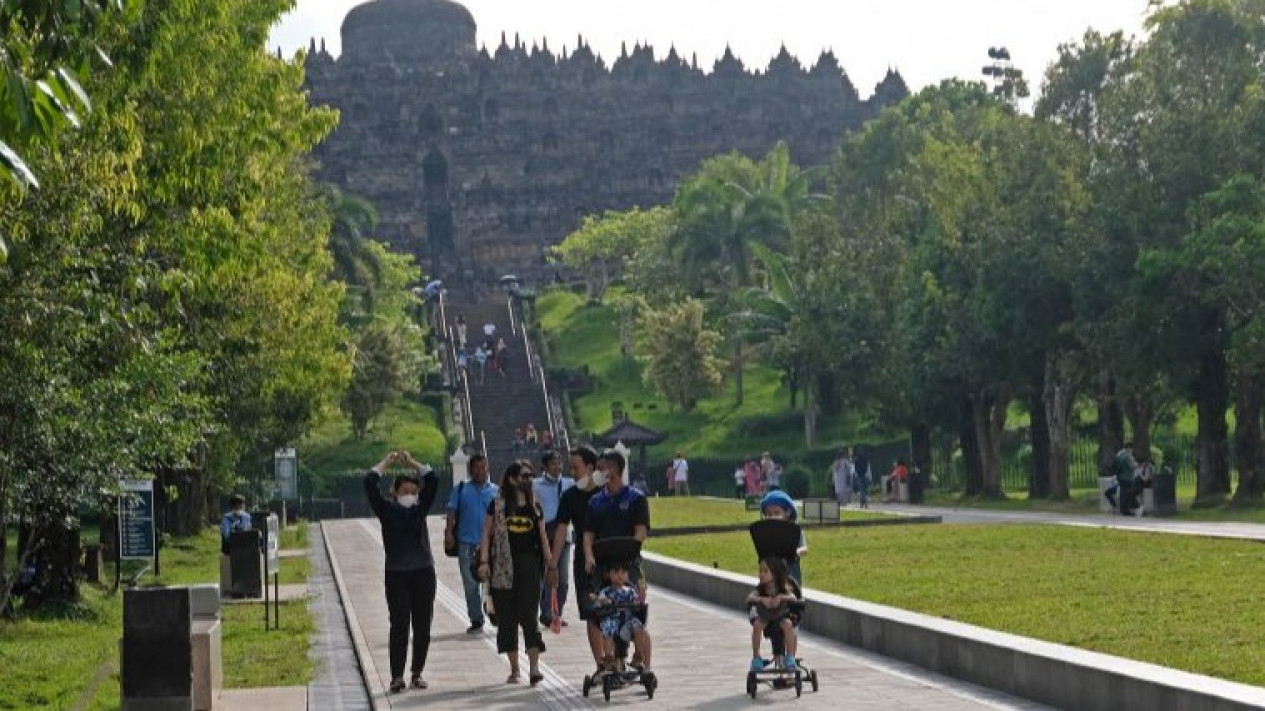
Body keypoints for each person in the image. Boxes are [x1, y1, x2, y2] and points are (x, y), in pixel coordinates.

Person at [364, 451, 439, 693]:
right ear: (395, 493)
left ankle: (417, 672)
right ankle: (397, 676)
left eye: (413, 492)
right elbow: (369, 482)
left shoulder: (420, 509)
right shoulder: (386, 510)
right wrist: (386, 462)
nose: (410, 496)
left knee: (423, 625)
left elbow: (434, 480)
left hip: (423, 573)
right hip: (396, 575)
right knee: (399, 624)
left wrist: (411, 463)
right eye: (405, 492)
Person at [478, 461, 554, 685]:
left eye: (531, 476)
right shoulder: (497, 505)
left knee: (529, 616)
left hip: (529, 565)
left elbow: (543, 538)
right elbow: (486, 533)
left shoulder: (534, 506)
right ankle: (514, 669)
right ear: (512, 479)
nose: (529, 480)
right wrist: (484, 561)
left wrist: (551, 566)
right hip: (502, 567)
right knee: (507, 619)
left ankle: (534, 668)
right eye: (524, 476)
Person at [583, 449, 653, 676]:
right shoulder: (596, 500)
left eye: (602, 468)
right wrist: (589, 556)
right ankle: (606, 663)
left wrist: (627, 552)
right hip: (602, 565)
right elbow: (588, 534)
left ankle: (641, 661)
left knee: (636, 611)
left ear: (613, 470)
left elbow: (641, 531)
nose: (598, 472)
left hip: (628, 563)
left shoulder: (635, 498)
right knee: (598, 614)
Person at [551, 446, 606, 675]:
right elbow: (562, 530)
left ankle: (615, 659)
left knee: (614, 610)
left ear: (591, 467)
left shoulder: (606, 493)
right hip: (583, 562)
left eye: (576, 467)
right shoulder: (569, 496)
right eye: (570, 467)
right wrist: (552, 563)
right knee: (591, 613)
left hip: (609, 559)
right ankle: (601, 664)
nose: (571, 472)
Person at [444, 453, 497, 633]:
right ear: (469, 469)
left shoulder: (496, 491)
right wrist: (449, 533)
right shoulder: (461, 489)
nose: (480, 471)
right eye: (476, 468)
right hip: (466, 543)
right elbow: (452, 511)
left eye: (483, 467)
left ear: (488, 468)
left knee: (492, 582)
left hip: (490, 544)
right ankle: (476, 618)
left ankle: (492, 610)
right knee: (470, 583)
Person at [533, 451, 574, 628]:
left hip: (563, 533)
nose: (557, 467)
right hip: (543, 532)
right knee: (545, 574)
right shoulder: (535, 485)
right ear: (545, 466)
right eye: (553, 463)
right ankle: (546, 613)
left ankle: (557, 612)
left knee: (562, 578)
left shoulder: (569, 484)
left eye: (559, 463)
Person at [593, 561, 650, 669]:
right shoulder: (606, 591)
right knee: (608, 626)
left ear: (627, 575)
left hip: (627, 621)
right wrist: (601, 600)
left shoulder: (630, 591)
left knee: (638, 626)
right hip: (612, 619)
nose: (620, 575)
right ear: (609, 574)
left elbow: (637, 603)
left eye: (623, 572)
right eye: (616, 572)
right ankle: (609, 656)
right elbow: (598, 603)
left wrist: (642, 596)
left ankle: (638, 654)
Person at [747, 557, 799, 672]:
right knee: (757, 625)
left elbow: (793, 597)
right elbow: (750, 597)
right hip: (765, 617)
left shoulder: (782, 588)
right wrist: (761, 599)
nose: (761, 574)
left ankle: (790, 657)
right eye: (760, 571)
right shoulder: (761, 589)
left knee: (788, 624)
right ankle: (756, 657)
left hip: (780, 616)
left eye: (765, 571)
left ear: (775, 574)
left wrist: (780, 597)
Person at [759, 490, 808, 585]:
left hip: (790, 573)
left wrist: (795, 553)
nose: (772, 517)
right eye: (769, 514)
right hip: (770, 574)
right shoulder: (766, 532)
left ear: (788, 512)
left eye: (777, 513)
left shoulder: (794, 530)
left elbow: (804, 549)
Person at [1113, 442, 1140, 515]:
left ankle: (1122, 509)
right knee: (1127, 493)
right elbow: (1132, 465)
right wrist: (1137, 464)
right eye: (1132, 448)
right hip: (1127, 477)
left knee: (1122, 493)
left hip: (1119, 476)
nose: (1132, 450)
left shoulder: (1119, 454)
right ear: (1129, 448)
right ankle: (1126, 510)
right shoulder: (1128, 455)